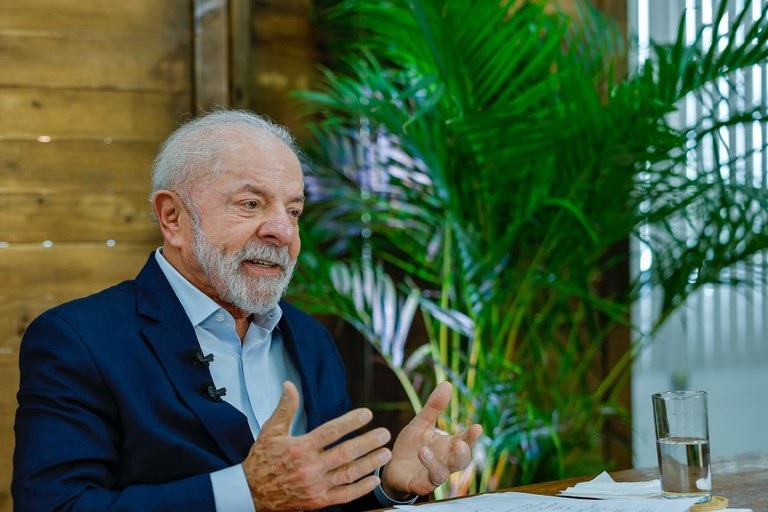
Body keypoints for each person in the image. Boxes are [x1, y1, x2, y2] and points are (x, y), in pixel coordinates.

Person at [12, 109, 483, 511]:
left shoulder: (310, 338)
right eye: (251, 203)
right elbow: (55, 506)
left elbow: (322, 494)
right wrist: (245, 492)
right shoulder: (78, 340)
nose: (283, 231)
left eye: (294, 211)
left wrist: (387, 484)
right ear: (173, 218)